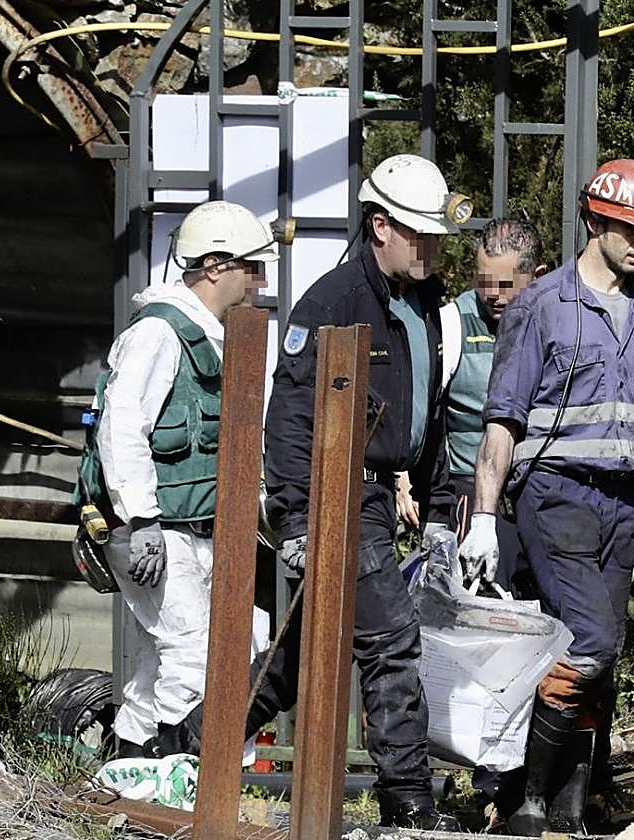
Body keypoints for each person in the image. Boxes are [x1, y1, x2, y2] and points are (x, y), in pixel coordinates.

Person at [176, 154, 464, 831]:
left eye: (435, 235)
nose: (430, 246)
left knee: (293, 661)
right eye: (418, 233)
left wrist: (443, 509)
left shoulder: (422, 300)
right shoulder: (334, 302)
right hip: (335, 501)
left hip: (373, 498)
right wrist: (298, 518)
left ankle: (182, 745)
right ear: (379, 227)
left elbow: (429, 410)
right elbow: (293, 416)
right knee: (391, 640)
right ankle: (409, 803)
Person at [458, 159, 634, 835]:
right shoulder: (539, 306)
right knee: (591, 643)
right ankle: (523, 805)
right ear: (593, 221)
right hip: (555, 494)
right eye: (627, 227)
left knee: (595, 665)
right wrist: (485, 519)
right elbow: (503, 420)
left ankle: (568, 811)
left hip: (619, 503)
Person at [99, 200, 277, 759]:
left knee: (178, 656)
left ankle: (128, 761)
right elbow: (121, 427)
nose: (261, 281)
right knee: (195, 656)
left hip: (203, 530)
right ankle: (183, 785)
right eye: (254, 268)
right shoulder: (158, 332)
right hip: (159, 533)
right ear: (217, 266)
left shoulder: (217, 336)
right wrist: (142, 520)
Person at [397, 218, 546, 597]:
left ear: (538, 276)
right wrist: (403, 478)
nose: (492, 295)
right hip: (470, 488)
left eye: (506, 284)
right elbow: (417, 407)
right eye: (483, 282)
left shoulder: (556, 321)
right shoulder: (453, 322)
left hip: (537, 491)